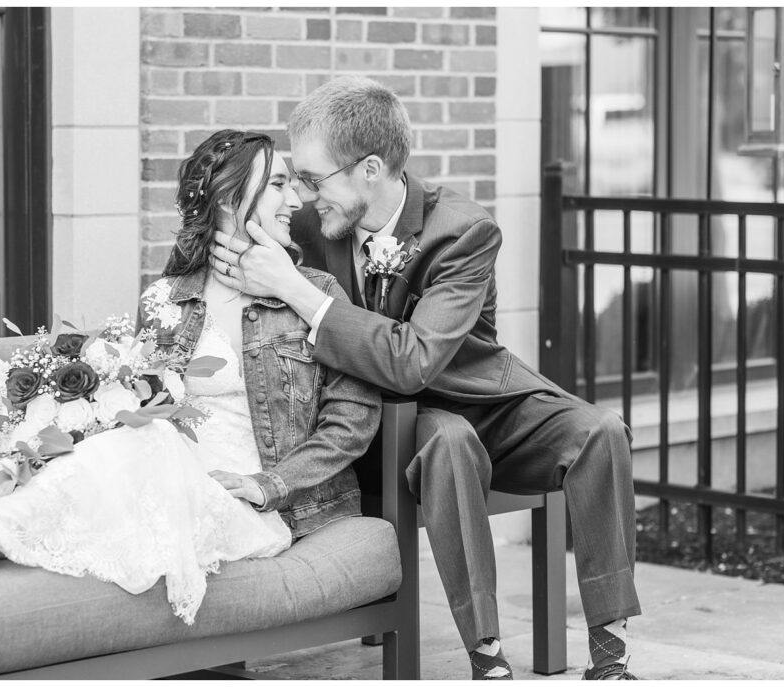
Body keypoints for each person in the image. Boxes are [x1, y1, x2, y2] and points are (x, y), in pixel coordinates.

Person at [0, 129, 381, 626]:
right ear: (230, 197)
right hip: (161, 467)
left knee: (138, 448)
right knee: (125, 444)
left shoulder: (314, 296)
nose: (296, 201)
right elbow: (142, 398)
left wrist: (265, 484)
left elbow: (352, 422)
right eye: (278, 184)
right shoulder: (168, 298)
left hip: (255, 503)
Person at [210, 76, 641, 679]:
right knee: (447, 441)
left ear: (370, 169)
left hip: (479, 399)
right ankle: (486, 654)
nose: (302, 198)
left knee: (601, 429)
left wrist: (292, 288)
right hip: (385, 426)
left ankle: (611, 653)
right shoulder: (309, 228)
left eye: (312, 179)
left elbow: (413, 361)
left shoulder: (464, 231)